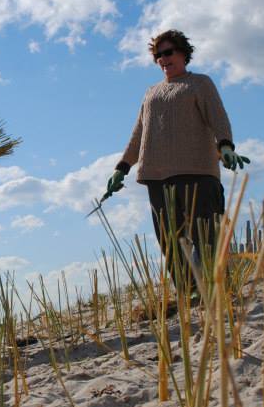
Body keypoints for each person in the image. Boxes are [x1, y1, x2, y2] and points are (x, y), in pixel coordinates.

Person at [105, 29, 249, 287]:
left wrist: (225, 146)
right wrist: (122, 168)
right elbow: (139, 133)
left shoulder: (200, 83)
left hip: (197, 171)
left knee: (205, 235)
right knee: (171, 240)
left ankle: (215, 289)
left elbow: (218, 117)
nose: (163, 59)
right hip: (156, 176)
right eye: (158, 55)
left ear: (183, 53)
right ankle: (188, 292)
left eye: (168, 52)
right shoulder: (151, 92)